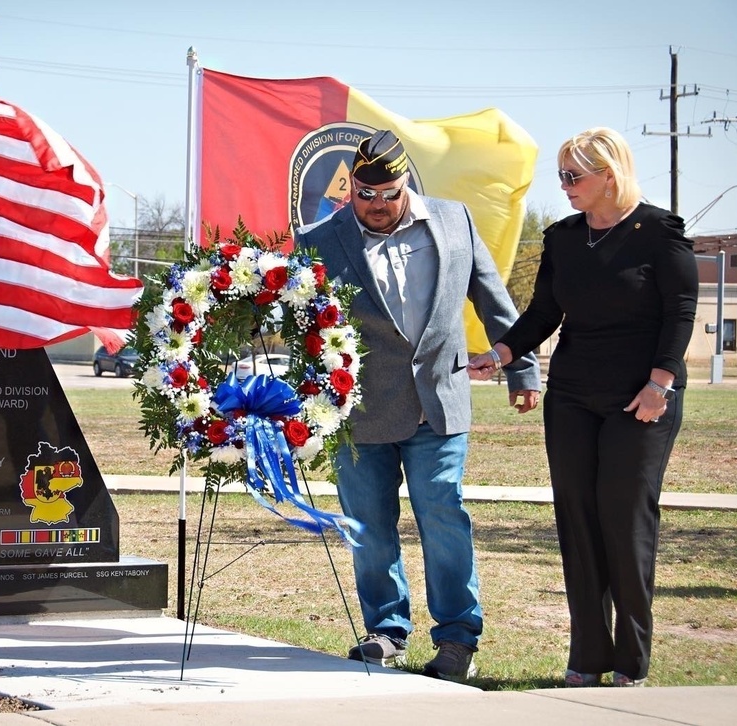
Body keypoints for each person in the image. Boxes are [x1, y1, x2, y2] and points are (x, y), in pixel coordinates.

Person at [295, 129, 541, 681]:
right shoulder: (319, 239)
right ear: (351, 189)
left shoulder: (454, 221)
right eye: (365, 195)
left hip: (440, 401)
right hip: (358, 412)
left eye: (388, 194)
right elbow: (302, 327)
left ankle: (457, 637)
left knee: (443, 515)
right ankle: (386, 630)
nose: (377, 206)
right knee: (369, 526)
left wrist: (521, 369)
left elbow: (491, 296)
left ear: (407, 182)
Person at [468, 127, 699, 688]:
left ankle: (630, 662)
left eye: (575, 177)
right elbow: (543, 312)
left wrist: (660, 384)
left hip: (640, 397)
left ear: (609, 175)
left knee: (624, 519)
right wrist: (500, 354)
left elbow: (682, 311)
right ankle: (587, 656)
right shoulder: (565, 237)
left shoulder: (658, 232)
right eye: (562, 177)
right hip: (572, 394)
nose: (566, 186)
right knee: (577, 519)